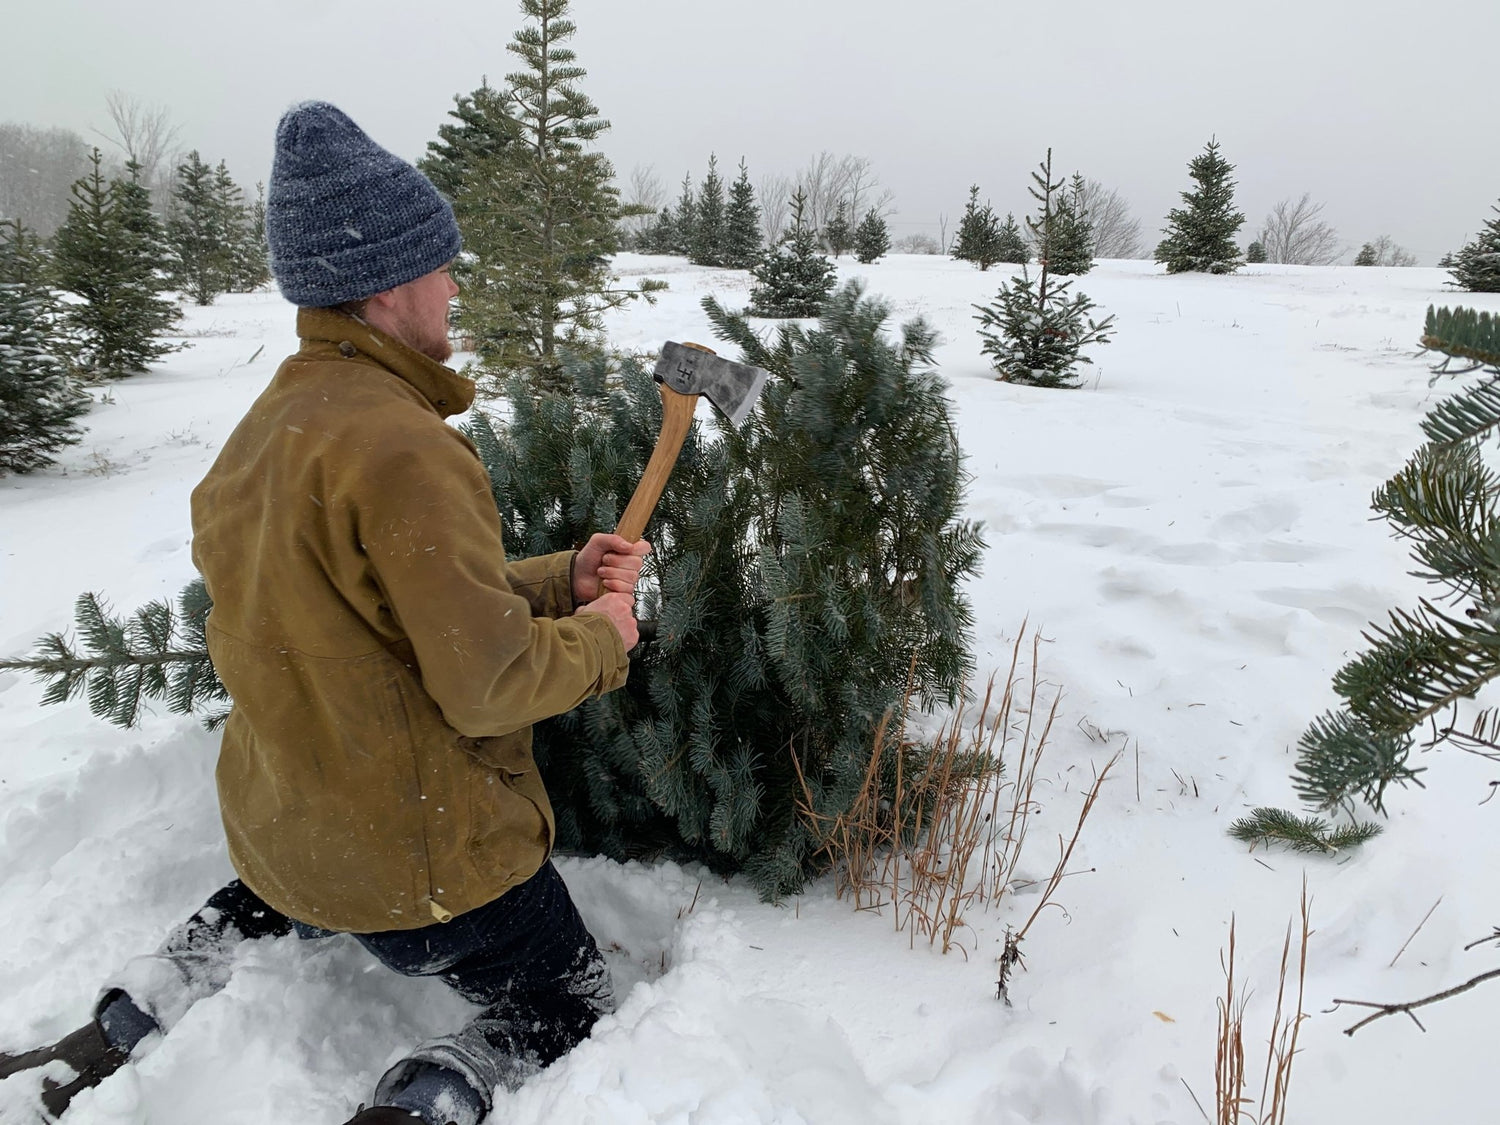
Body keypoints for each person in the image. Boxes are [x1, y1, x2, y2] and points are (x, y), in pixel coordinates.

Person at [0, 101, 650, 1125]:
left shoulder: (268, 430)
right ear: (392, 284)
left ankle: (123, 1023)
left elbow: (367, 610)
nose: (454, 288)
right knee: (564, 1000)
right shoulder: (406, 446)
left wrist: (556, 580)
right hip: (427, 874)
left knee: (275, 898)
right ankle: (424, 1101)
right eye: (443, 266)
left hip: (288, 839)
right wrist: (602, 639)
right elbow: (485, 686)